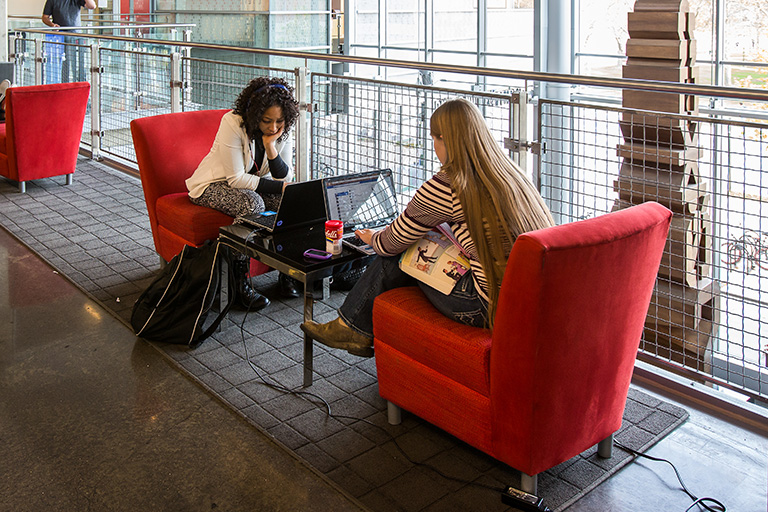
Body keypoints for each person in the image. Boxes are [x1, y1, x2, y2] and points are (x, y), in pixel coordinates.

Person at [301, 97, 555, 357]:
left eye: (435, 139)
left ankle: (351, 326)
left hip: (482, 305)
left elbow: (392, 242)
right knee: (422, 238)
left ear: (444, 139)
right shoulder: (510, 172)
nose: (433, 147)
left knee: (399, 252)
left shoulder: (449, 184)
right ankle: (357, 327)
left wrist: (371, 238)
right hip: (526, 300)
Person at [186, 76, 302, 309]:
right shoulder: (232, 122)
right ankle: (238, 283)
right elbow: (236, 179)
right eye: (267, 120)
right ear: (254, 114)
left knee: (289, 202)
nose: (273, 127)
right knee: (252, 204)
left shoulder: (282, 128)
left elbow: (284, 177)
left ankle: (288, 272)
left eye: (279, 121)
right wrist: (281, 186)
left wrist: (270, 147)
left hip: (248, 184)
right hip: (210, 185)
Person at [42, 0, 97, 83]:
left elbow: (92, 6)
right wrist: (52, 25)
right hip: (60, 37)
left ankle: (80, 84)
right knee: (64, 64)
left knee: (79, 64)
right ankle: (64, 84)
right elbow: (45, 17)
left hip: (76, 37)